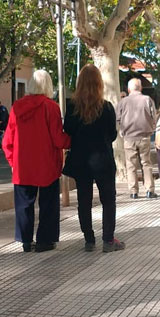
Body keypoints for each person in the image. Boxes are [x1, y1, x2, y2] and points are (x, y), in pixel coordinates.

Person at [2, 70, 71, 253]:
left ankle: (25, 240)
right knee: (48, 204)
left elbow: (7, 140)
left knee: (24, 205)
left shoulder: (17, 107)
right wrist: (72, 140)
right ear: (48, 85)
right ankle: (45, 241)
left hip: (22, 165)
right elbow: (58, 138)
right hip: (46, 164)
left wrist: (12, 162)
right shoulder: (51, 107)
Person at [63, 64, 124, 253]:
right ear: (99, 84)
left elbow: (68, 130)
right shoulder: (106, 107)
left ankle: (89, 239)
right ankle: (108, 239)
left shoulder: (72, 106)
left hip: (81, 160)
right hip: (102, 160)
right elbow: (113, 135)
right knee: (108, 200)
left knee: (84, 200)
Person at [116, 78, 158, 199]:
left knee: (131, 165)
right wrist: (152, 128)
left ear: (129, 89)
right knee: (146, 163)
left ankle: (133, 191)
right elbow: (153, 117)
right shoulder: (147, 100)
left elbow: (117, 118)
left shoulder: (123, 102)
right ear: (141, 88)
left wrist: (122, 131)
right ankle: (150, 190)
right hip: (144, 136)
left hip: (129, 137)